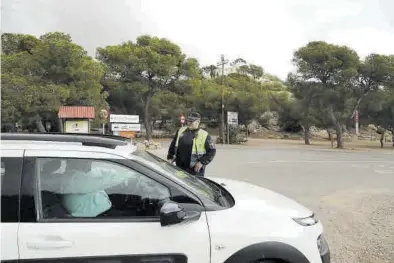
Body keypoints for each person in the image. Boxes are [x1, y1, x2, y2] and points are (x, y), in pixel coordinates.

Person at [167, 112, 216, 177]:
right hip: (179, 168)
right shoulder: (180, 130)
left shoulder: (204, 135)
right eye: (188, 121)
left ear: (198, 122)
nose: (188, 123)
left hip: (195, 170)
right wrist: (170, 158)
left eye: (191, 121)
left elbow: (212, 151)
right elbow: (173, 146)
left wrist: (201, 162)